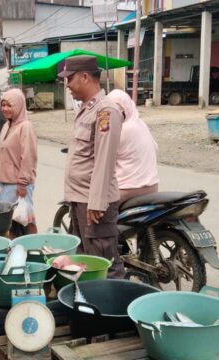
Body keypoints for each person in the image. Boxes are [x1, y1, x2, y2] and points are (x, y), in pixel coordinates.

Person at [58, 55, 124, 278]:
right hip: (80, 199)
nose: (67, 85)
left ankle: (112, 310)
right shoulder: (87, 109)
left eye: (70, 79)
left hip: (94, 204)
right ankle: (89, 308)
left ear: (85, 77)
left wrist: (96, 202)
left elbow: (104, 161)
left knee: (104, 264)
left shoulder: (106, 111)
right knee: (84, 262)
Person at [0, 88, 38, 234]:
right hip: (4, 184)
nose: (5, 109)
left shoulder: (25, 127)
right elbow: (2, 154)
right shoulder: (7, 125)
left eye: (9, 105)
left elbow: (28, 157)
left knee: (25, 220)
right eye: (3, 105)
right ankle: (13, 252)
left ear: (18, 105)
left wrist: (23, 183)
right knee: (8, 225)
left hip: (18, 185)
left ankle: (35, 249)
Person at [106, 90, 160, 204]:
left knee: (95, 209)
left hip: (127, 190)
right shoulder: (140, 123)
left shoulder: (121, 129)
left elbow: (105, 159)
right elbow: (155, 147)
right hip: (153, 187)